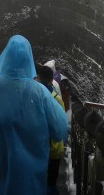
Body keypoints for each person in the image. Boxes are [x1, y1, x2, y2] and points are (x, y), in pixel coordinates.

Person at [0, 35, 69, 195]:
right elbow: (60, 130)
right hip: (34, 180)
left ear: (5, 57)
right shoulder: (40, 92)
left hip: (5, 174)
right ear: (28, 59)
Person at [37, 65, 66, 194]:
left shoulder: (33, 97)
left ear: (38, 78)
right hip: (54, 147)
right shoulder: (57, 99)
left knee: (39, 180)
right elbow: (62, 124)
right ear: (51, 80)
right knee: (51, 181)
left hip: (37, 147)